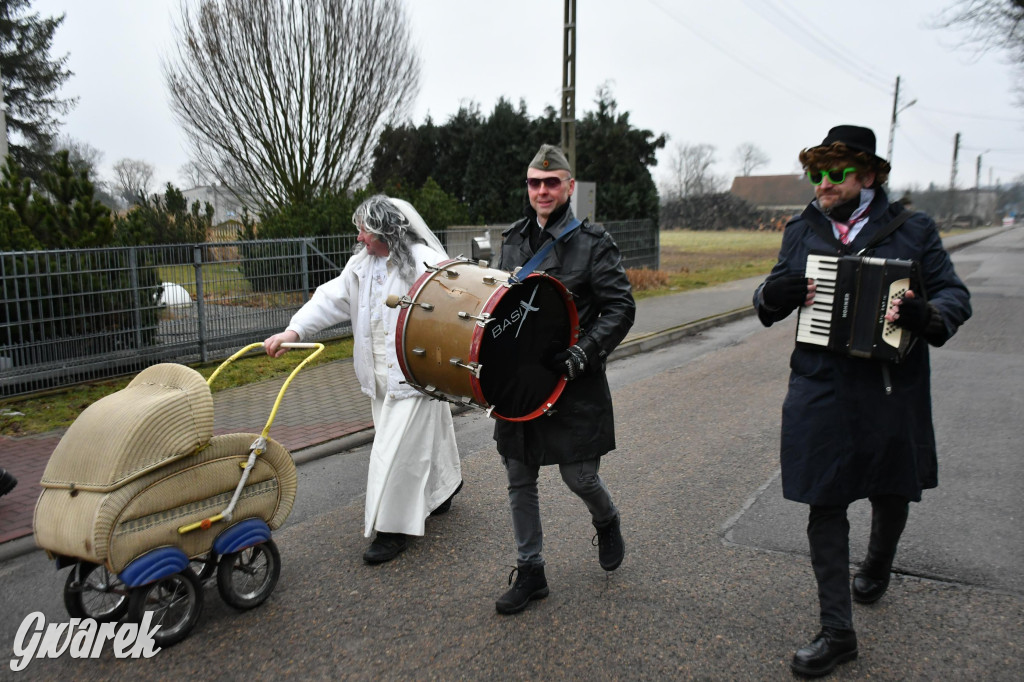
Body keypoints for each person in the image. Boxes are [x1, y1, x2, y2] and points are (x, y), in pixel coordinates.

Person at [753, 125, 972, 677]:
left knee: (889, 488)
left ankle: (878, 563)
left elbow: (953, 295)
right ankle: (837, 631)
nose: (823, 183)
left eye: (836, 173)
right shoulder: (801, 229)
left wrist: (928, 315)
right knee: (824, 502)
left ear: (868, 176)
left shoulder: (913, 229)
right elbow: (772, 292)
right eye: (816, 173)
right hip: (820, 386)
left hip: (888, 387)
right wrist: (769, 296)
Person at [264, 195, 462, 564]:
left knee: (395, 453)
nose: (359, 237)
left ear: (386, 230)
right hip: (378, 376)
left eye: (365, 230)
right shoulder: (360, 265)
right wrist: (293, 332)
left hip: (416, 376)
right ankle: (445, 487)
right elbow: (330, 299)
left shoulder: (428, 264)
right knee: (423, 437)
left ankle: (392, 529)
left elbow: (458, 306)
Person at [491, 144, 636, 615]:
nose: (542, 191)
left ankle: (607, 518)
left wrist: (584, 351)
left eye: (551, 183)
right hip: (522, 383)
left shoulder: (594, 243)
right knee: (519, 475)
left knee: (580, 476)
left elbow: (620, 308)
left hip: (574, 379)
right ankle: (531, 570)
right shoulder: (512, 240)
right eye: (534, 183)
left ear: (569, 187)